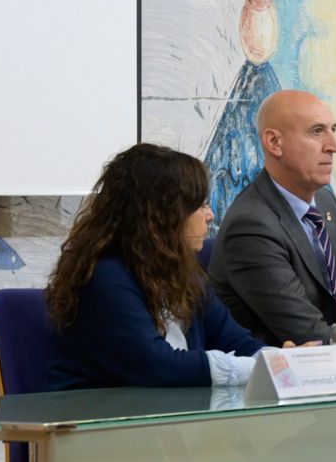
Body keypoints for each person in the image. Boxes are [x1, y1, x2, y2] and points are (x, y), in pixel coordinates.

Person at [208, 90, 336, 369]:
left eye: (333, 130)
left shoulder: (325, 203)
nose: (334, 146)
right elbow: (311, 338)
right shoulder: (251, 227)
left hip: (331, 379)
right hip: (270, 396)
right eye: (317, 132)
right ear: (274, 142)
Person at [45, 144, 269, 391]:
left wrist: (286, 361)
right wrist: (262, 368)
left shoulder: (185, 274)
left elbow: (238, 343)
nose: (210, 215)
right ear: (162, 216)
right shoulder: (106, 276)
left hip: (165, 418)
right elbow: (159, 367)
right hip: (99, 423)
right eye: (201, 205)